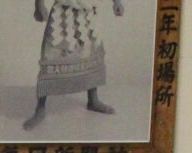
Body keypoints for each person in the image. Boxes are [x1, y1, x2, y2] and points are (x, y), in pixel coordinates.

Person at [23, 0, 125, 132]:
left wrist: (117, 2)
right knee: (51, 56)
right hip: (63, 11)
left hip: (88, 10)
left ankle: (93, 100)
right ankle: (40, 108)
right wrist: (39, 5)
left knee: (90, 52)